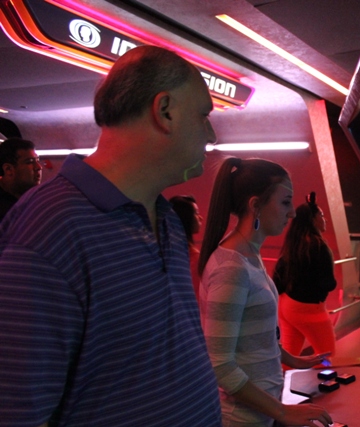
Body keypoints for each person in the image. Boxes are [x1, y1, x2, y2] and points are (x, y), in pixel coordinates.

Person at [0, 46, 222, 426]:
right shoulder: (48, 232)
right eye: (204, 115)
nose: (211, 134)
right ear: (165, 110)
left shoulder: (167, 218)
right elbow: (16, 412)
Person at [199, 157, 333, 427]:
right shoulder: (231, 268)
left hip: (263, 412)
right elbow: (220, 365)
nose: (292, 213)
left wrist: (291, 358)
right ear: (255, 205)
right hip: (241, 419)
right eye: (285, 202)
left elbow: (250, 336)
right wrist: (282, 412)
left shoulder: (249, 255)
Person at [273, 192, 337, 360]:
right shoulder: (319, 246)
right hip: (309, 309)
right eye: (321, 215)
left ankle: (281, 378)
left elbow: (278, 277)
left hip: (286, 305)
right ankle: (321, 377)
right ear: (313, 220)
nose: (324, 219)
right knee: (326, 355)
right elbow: (327, 283)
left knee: (290, 355)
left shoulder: (293, 244)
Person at [0, 137, 42, 222]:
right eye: (30, 161)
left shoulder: (37, 199)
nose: (39, 167)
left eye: (37, 160)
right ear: (8, 169)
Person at [170, 194, 203, 298]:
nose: (201, 218)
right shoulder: (195, 259)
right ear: (186, 218)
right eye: (196, 213)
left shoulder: (167, 253)